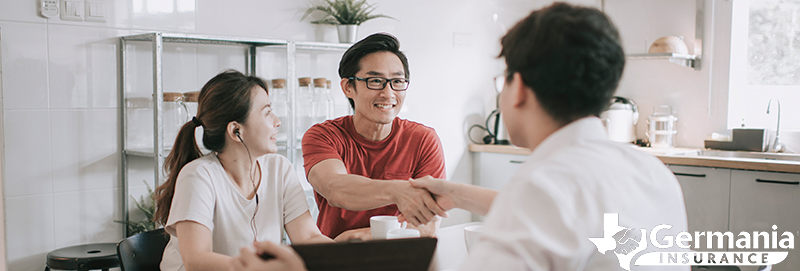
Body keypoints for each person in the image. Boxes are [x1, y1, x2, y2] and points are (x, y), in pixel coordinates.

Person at [231, 3, 688, 271]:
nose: (388, 92)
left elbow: (542, 206)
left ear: (520, 88)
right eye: (375, 81)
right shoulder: (653, 172)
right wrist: (453, 193)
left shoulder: (546, 186)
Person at [153, 70, 332, 271]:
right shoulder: (198, 175)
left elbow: (308, 236)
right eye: (267, 112)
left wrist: (350, 258)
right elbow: (196, 260)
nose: (277, 121)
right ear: (236, 131)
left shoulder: (279, 169)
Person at [301, 33, 448, 241]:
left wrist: (362, 237)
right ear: (348, 87)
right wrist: (400, 190)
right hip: (336, 258)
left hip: (400, 257)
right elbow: (335, 188)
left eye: (397, 81)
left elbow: (429, 224)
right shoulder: (323, 136)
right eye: (375, 81)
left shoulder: (423, 140)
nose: (388, 93)